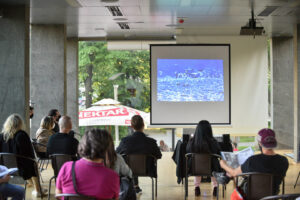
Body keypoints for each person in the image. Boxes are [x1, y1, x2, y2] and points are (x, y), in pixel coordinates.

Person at [220, 128, 289, 195]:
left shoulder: (253, 160)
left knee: (239, 177)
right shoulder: (284, 161)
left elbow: (234, 173)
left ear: (260, 143)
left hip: (251, 195)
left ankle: (226, 177)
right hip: (272, 195)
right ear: (274, 141)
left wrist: (223, 164)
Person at [56, 129, 119, 199]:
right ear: (107, 148)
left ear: (83, 144)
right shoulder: (113, 177)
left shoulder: (66, 168)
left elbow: (58, 194)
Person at [0, 114, 47, 197]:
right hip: (21, 168)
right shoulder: (21, 135)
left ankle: (38, 189)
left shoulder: (2, 136)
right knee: (33, 164)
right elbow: (29, 153)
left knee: (30, 164)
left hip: (6, 169)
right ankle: (38, 190)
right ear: (20, 124)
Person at [116, 115, 162, 194]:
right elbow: (159, 155)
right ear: (143, 125)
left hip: (128, 170)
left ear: (132, 126)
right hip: (147, 170)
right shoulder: (151, 142)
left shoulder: (125, 141)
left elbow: (117, 153)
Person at [186, 120, 221, 197]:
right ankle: (215, 187)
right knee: (214, 161)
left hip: (194, 169)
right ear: (209, 130)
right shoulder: (213, 142)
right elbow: (219, 153)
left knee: (196, 162)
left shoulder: (192, 142)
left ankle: (197, 187)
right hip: (211, 169)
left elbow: (187, 152)